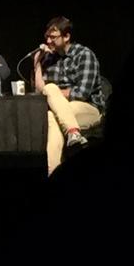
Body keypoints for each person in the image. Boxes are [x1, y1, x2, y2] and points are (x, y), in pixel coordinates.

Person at [33, 16, 105, 175]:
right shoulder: (49, 58)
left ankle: (52, 174)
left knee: (52, 93)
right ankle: (73, 135)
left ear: (66, 36)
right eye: (47, 37)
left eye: (53, 37)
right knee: (51, 116)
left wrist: (54, 93)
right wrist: (37, 63)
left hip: (89, 108)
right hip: (64, 112)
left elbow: (82, 93)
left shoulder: (84, 55)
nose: (48, 41)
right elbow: (40, 93)